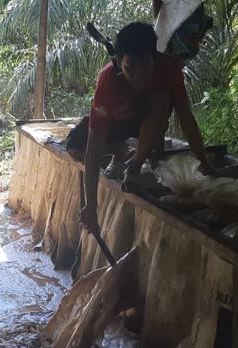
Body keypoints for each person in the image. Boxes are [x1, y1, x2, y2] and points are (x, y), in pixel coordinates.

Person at [80, 22, 216, 235]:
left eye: (145, 66)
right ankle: (119, 154)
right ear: (119, 62)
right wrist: (90, 206)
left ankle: (134, 167)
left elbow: (186, 119)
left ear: (154, 57)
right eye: (129, 68)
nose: (139, 75)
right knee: (74, 149)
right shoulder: (108, 80)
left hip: (148, 121)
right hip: (117, 123)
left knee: (161, 99)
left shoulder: (168, 69)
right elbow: (93, 149)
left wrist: (206, 165)